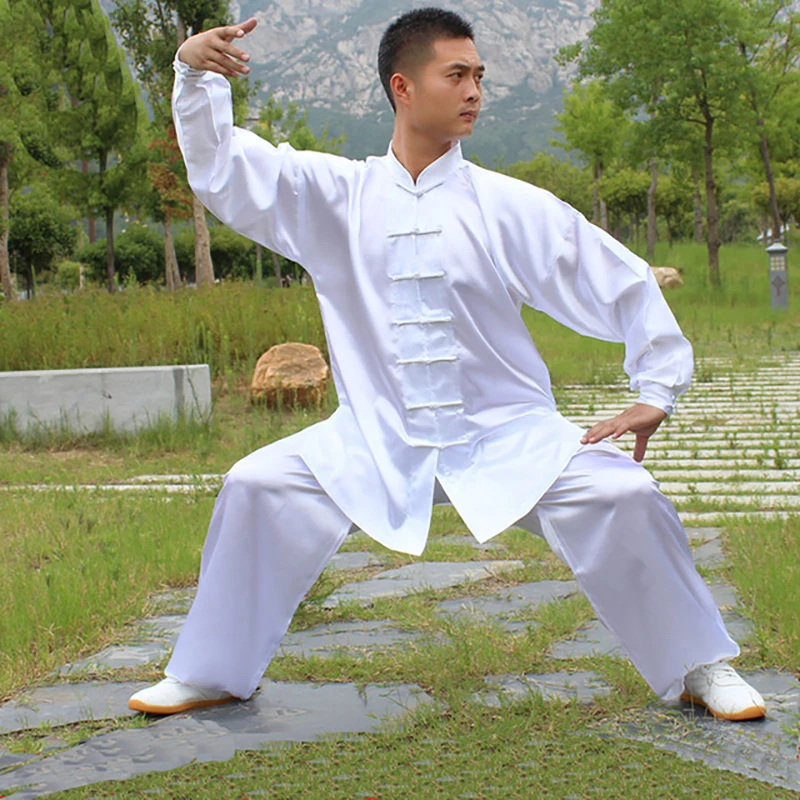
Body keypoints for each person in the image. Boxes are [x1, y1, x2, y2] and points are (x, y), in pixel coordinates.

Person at [129, 8, 766, 721]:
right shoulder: (335, 196)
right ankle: (212, 671)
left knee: (625, 495)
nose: (475, 92)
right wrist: (192, 72)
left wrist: (656, 386)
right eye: (456, 74)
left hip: (508, 435)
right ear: (403, 87)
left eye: (480, 77)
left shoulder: (505, 205)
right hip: (372, 437)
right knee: (255, 484)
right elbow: (223, 171)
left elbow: (612, 273)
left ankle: (699, 667)